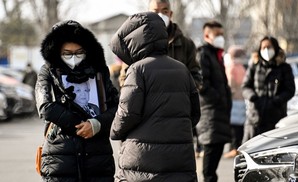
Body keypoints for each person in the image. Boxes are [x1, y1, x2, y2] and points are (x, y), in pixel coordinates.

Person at [109, 12, 201, 181]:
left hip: (143, 159)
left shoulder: (137, 70)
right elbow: (195, 113)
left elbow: (127, 113)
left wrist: (114, 131)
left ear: (134, 41)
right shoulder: (182, 69)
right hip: (180, 158)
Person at [35, 20, 119, 181]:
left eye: (79, 52)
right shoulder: (48, 71)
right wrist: (79, 125)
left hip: (98, 157)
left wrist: (96, 124)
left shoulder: (99, 72)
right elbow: (45, 106)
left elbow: (117, 107)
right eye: (67, 53)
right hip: (60, 155)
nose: (74, 57)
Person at [195, 20, 232, 182]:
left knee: (213, 165)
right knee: (209, 170)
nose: (221, 38)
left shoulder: (216, 55)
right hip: (210, 115)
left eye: (222, 35)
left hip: (218, 114)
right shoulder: (203, 54)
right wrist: (218, 99)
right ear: (206, 35)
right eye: (217, 35)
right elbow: (202, 83)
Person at [241, 36, 295, 143]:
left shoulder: (284, 68)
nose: (266, 50)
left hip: (276, 116)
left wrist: (276, 101)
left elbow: (290, 90)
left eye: (269, 47)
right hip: (255, 117)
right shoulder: (255, 66)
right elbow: (245, 86)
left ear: (275, 48)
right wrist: (253, 98)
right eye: (263, 47)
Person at [223, 45, 247, 158]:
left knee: (233, 126)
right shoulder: (241, 67)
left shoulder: (231, 68)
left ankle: (234, 148)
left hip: (233, 100)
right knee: (240, 126)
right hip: (241, 99)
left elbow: (230, 85)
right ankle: (238, 146)